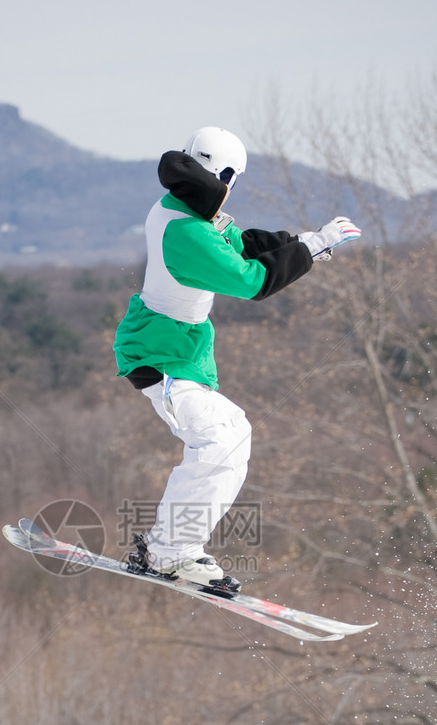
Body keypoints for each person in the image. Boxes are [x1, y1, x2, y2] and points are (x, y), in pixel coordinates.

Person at [114, 126, 360, 593]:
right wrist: (309, 249)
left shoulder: (184, 209)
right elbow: (252, 281)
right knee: (220, 441)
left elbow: (240, 243)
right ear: (225, 176)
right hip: (160, 354)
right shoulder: (186, 231)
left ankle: (166, 547)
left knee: (230, 435)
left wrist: (303, 242)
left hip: (175, 351)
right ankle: (172, 552)